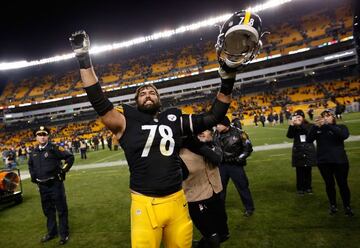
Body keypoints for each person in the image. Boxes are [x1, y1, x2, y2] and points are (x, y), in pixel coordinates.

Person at [69, 31, 236, 248]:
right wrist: (83, 58)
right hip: (144, 203)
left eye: (153, 92)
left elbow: (214, 116)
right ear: (136, 101)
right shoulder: (125, 121)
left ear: (159, 99)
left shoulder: (173, 120)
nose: (148, 94)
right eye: (143, 93)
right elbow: (97, 99)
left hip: (178, 200)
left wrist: (228, 79)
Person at [180, 130, 229, 248]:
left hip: (215, 192)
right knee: (212, 236)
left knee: (223, 234)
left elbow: (218, 158)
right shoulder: (179, 151)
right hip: (196, 197)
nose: (202, 134)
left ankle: (201, 244)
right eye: (199, 131)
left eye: (204, 130)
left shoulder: (211, 145)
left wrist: (206, 145)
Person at [28, 126, 74, 245]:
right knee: (48, 211)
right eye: (40, 134)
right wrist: (34, 178)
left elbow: (70, 157)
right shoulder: (33, 152)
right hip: (42, 187)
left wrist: (63, 171)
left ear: (48, 136)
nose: (42, 137)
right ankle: (52, 232)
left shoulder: (54, 148)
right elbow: (31, 166)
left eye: (44, 134)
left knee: (61, 210)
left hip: (55, 184)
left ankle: (64, 234)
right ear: (36, 137)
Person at [307, 110, 354, 216]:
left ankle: (347, 206)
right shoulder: (318, 129)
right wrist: (315, 126)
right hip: (324, 162)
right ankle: (333, 205)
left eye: (328, 116)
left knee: (342, 184)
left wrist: (328, 125)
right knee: (329, 184)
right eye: (323, 116)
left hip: (340, 161)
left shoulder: (341, 127)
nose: (325, 118)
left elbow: (343, 136)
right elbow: (309, 140)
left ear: (333, 117)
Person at [214, 116, 255, 217]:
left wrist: (239, 158)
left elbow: (248, 148)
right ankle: (220, 209)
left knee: (242, 187)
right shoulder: (215, 133)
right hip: (221, 165)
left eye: (218, 124)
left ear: (225, 124)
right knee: (220, 189)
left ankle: (249, 208)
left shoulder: (240, 133)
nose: (217, 126)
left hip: (235, 166)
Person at [286, 110, 316, 195]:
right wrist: (292, 126)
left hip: (308, 150)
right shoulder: (295, 127)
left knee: (308, 170)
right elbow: (289, 136)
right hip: (298, 150)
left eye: (299, 117)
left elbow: (309, 132)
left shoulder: (309, 125)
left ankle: (308, 187)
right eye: (296, 117)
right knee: (299, 171)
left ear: (303, 117)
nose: (297, 119)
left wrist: (300, 124)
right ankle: (300, 188)